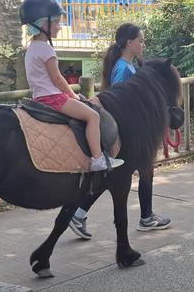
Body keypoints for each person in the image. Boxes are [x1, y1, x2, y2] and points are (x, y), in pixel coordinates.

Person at [68, 23, 172, 240]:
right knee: (119, 177)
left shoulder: (129, 66)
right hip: (125, 133)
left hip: (130, 131)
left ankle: (143, 215)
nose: (143, 45)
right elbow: (119, 100)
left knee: (126, 175)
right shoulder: (123, 69)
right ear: (129, 43)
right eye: (140, 41)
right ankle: (144, 217)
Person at [21, 0, 124, 172]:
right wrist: (73, 95)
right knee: (93, 116)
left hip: (39, 97)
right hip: (54, 98)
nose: (60, 28)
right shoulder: (46, 49)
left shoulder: (31, 49)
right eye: (57, 23)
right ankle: (97, 159)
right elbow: (57, 78)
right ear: (44, 25)